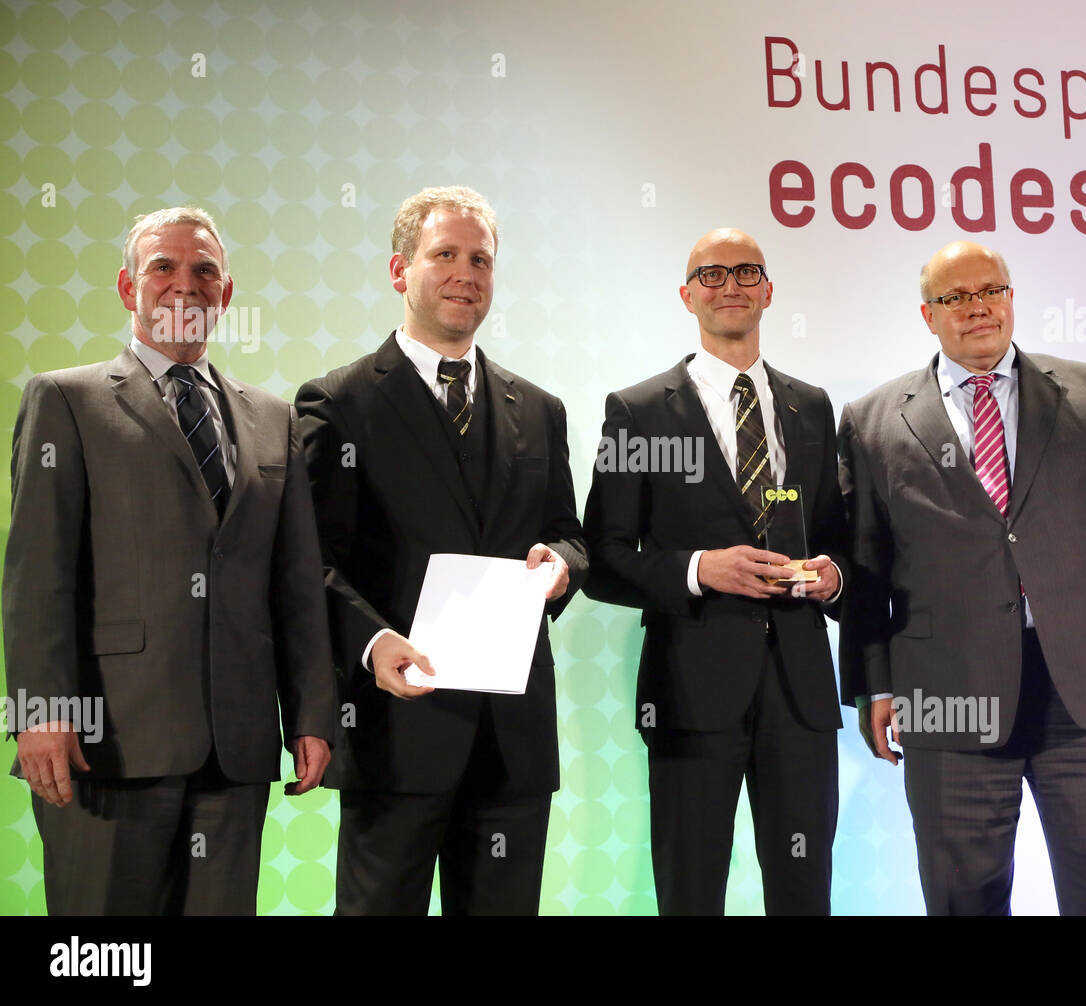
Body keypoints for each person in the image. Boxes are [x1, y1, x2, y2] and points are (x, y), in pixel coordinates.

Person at [837, 239, 1086, 915]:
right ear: (927, 314)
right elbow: (868, 570)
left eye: (990, 291)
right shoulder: (873, 420)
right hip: (946, 698)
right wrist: (874, 684)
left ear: (1010, 299)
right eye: (956, 297)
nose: (977, 309)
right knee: (962, 898)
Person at [2, 206, 335, 915]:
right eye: (164, 267)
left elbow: (297, 587)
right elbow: (38, 577)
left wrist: (311, 713)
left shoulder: (273, 419)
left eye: (204, 270)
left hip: (237, 748)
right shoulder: (66, 400)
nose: (185, 284)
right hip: (108, 742)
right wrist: (37, 711)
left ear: (226, 293)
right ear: (129, 288)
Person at [295, 186, 586, 915]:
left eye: (481, 259)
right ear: (400, 271)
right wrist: (371, 642)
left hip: (511, 743)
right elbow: (310, 561)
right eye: (446, 255)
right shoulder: (340, 402)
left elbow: (571, 537)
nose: (467, 273)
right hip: (396, 735)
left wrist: (562, 568)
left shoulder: (540, 410)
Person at [582, 228, 849, 915]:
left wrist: (834, 577)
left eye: (745, 271)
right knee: (691, 888)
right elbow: (603, 557)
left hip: (800, 692)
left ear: (768, 290)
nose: (729, 285)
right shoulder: (638, 412)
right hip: (690, 691)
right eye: (711, 274)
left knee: (805, 889)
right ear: (686, 295)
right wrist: (701, 569)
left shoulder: (812, 405)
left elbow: (845, 540)